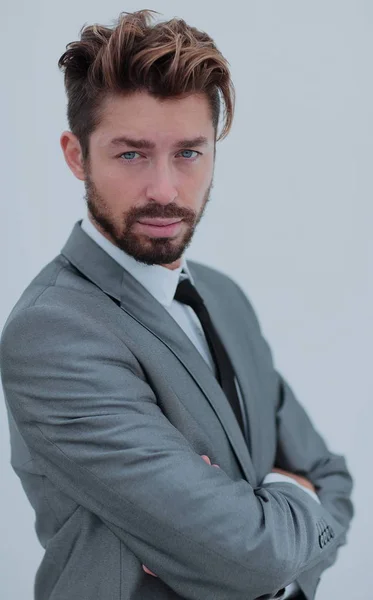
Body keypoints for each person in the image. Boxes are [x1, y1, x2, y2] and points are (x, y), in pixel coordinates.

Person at [0, 9, 353, 600]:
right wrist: (282, 509)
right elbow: (253, 556)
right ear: (76, 155)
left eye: (188, 153)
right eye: (131, 154)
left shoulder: (224, 297)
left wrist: (265, 522)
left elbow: (331, 477)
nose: (164, 190)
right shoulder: (53, 332)